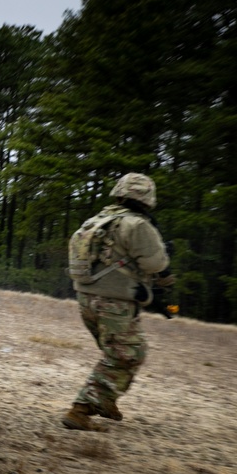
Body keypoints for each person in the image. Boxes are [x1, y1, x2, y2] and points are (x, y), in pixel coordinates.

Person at [62, 172, 173, 431]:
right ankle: (82, 409)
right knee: (129, 354)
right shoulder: (137, 225)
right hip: (114, 302)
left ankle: (106, 399)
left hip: (87, 298)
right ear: (148, 199)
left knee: (117, 353)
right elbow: (155, 263)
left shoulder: (96, 221)